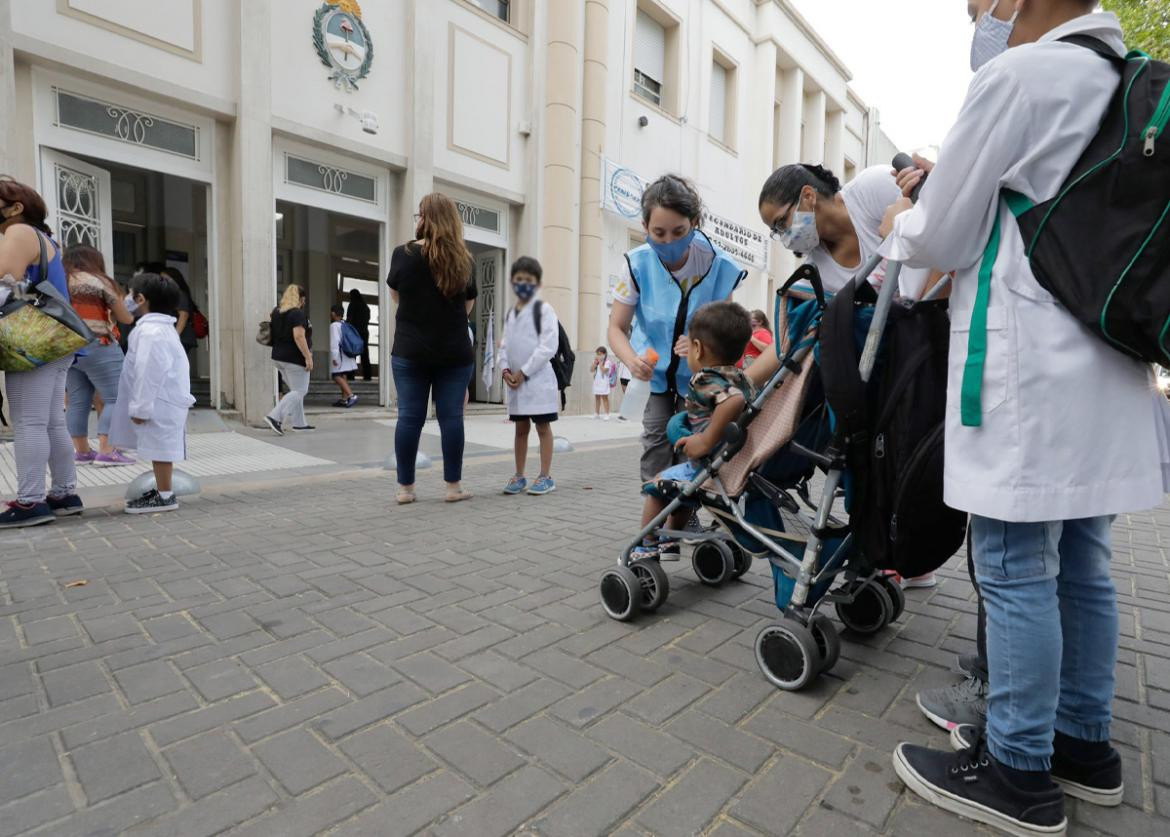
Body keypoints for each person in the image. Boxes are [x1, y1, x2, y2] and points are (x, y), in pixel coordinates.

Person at [877, 3, 1163, 833]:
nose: (980, 15)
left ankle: (1017, 770)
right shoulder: (1122, 78)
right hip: (1105, 370)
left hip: (1024, 370)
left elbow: (944, 234)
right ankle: (1084, 744)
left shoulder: (1018, 76)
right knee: (1084, 559)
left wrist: (903, 222)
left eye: (981, 3)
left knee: (1012, 564)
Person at [607, 174, 746, 558]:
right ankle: (654, 531)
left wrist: (703, 348)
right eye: (659, 232)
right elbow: (617, 328)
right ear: (645, 227)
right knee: (655, 446)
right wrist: (630, 358)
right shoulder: (636, 265)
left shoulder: (718, 265)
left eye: (679, 231)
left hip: (699, 385)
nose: (668, 242)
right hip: (653, 380)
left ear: (695, 224)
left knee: (694, 454)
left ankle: (677, 526)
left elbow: (725, 329)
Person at [632, 301, 755, 559]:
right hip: (730, 464)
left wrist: (704, 440)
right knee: (685, 490)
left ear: (696, 348)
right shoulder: (741, 377)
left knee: (657, 485)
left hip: (708, 464)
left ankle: (645, 544)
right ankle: (669, 539)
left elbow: (733, 401)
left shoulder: (706, 378)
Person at [0, 177, 82, 527]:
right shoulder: (44, 239)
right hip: (55, 338)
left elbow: (5, 276)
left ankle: (31, 501)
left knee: (30, 421)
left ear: (15, 208)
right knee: (50, 421)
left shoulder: (18, 233)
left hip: (31, 339)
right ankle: (64, 493)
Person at [388, 193, 476, 505]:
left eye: (419, 215)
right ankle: (453, 488)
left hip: (410, 350)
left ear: (426, 218)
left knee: (409, 417)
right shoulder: (464, 259)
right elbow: (467, 305)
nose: (417, 220)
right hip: (453, 351)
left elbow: (397, 295)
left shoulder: (403, 254)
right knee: (451, 418)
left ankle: (406, 489)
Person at [759, 163, 936, 299]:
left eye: (781, 223)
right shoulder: (813, 275)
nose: (783, 237)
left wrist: (927, 314)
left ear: (808, 196)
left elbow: (940, 231)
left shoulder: (873, 188)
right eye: (776, 231)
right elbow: (792, 336)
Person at [109, 272, 195, 514]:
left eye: (129, 294)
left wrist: (140, 408)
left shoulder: (151, 332)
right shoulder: (159, 329)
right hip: (164, 399)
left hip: (159, 400)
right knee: (161, 449)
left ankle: (165, 495)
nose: (125, 298)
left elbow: (148, 371)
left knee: (161, 449)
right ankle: (163, 492)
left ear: (140, 299)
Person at [62, 245, 135, 467]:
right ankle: (107, 450)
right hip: (98, 343)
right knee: (116, 397)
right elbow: (125, 318)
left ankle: (82, 452)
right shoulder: (100, 281)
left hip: (67, 348)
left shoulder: (61, 281)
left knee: (76, 401)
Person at [499, 256, 558, 497]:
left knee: (542, 427)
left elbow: (548, 346)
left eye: (528, 280)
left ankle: (545, 476)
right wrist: (505, 370)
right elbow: (504, 345)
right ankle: (519, 475)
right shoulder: (512, 314)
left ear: (537, 284)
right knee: (520, 429)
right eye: (519, 279)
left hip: (537, 382)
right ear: (513, 282)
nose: (523, 284)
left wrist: (523, 372)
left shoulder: (544, 310)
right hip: (516, 384)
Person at [264, 284, 314, 435]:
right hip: (294, 358)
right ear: (301, 298)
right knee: (300, 390)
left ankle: (299, 424)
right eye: (304, 299)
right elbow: (299, 336)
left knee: (295, 391)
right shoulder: (297, 314)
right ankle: (275, 417)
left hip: (278, 357)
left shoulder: (276, 312)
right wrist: (308, 357)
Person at [160, 266, 198, 364]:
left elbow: (183, 315)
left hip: (181, 337)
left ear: (175, 280)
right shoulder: (172, 294)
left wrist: (174, 336)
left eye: (166, 279)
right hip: (180, 337)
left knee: (175, 365)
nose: (163, 282)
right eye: (161, 280)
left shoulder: (180, 294)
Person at [328, 304, 359, 408]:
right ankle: (344, 399)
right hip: (347, 354)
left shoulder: (334, 325)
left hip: (340, 355)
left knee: (336, 376)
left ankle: (351, 395)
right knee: (343, 375)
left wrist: (334, 357)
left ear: (333, 313)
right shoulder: (344, 324)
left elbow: (335, 342)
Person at [345, 287, 373, 381]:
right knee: (365, 354)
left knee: (353, 354)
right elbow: (367, 319)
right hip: (364, 332)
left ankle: (350, 375)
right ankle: (367, 376)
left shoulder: (352, 304)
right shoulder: (365, 307)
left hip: (354, 332)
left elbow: (349, 319)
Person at [591, 347, 614, 420]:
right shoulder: (597, 362)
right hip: (597, 382)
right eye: (597, 354)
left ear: (604, 354)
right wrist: (595, 363)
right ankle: (597, 413)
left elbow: (604, 370)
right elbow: (591, 370)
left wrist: (600, 363)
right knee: (597, 397)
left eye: (600, 354)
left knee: (605, 398)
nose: (598, 355)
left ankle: (607, 414)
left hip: (604, 383)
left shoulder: (607, 362)